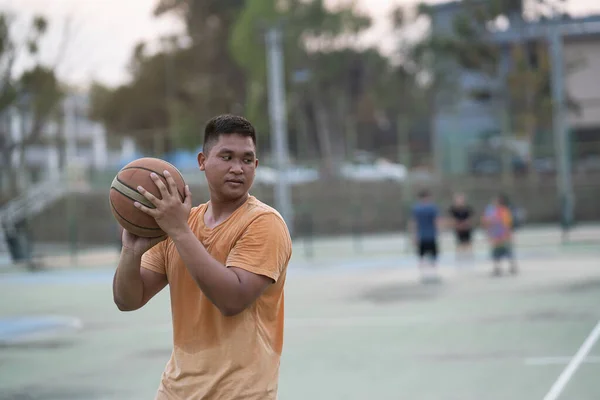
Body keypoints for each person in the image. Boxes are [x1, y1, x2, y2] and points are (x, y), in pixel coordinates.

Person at [112, 115, 293, 400]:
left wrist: (179, 230)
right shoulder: (182, 223)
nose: (238, 168)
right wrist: (131, 251)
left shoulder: (264, 223)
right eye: (227, 156)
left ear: (256, 166)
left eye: (247, 160)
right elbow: (128, 300)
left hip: (241, 393)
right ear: (202, 161)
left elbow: (232, 299)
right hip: (175, 392)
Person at [481, 194, 518, 276]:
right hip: (495, 236)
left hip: (504, 235)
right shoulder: (490, 211)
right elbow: (486, 222)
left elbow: (508, 223)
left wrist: (508, 234)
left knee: (508, 251)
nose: (495, 203)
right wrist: (488, 233)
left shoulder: (504, 211)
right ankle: (497, 268)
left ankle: (512, 266)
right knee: (496, 253)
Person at [410, 189, 441, 281]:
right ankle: (429, 274)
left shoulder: (417, 208)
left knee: (426, 256)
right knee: (427, 256)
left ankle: (427, 274)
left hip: (426, 235)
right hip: (426, 235)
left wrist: (414, 235)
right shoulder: (431, 208)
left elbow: (413, 223)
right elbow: (436, 221)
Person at [448, 193, 474, 260]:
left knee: (468, 244)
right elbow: (451, 219)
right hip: (458, 229)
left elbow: (470, 219)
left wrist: (465, 224)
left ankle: (468, 259)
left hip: (467, 229)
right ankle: (460, 259)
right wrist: (458, 225)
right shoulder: (453, 209)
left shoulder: (468, 208)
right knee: (459, 245)